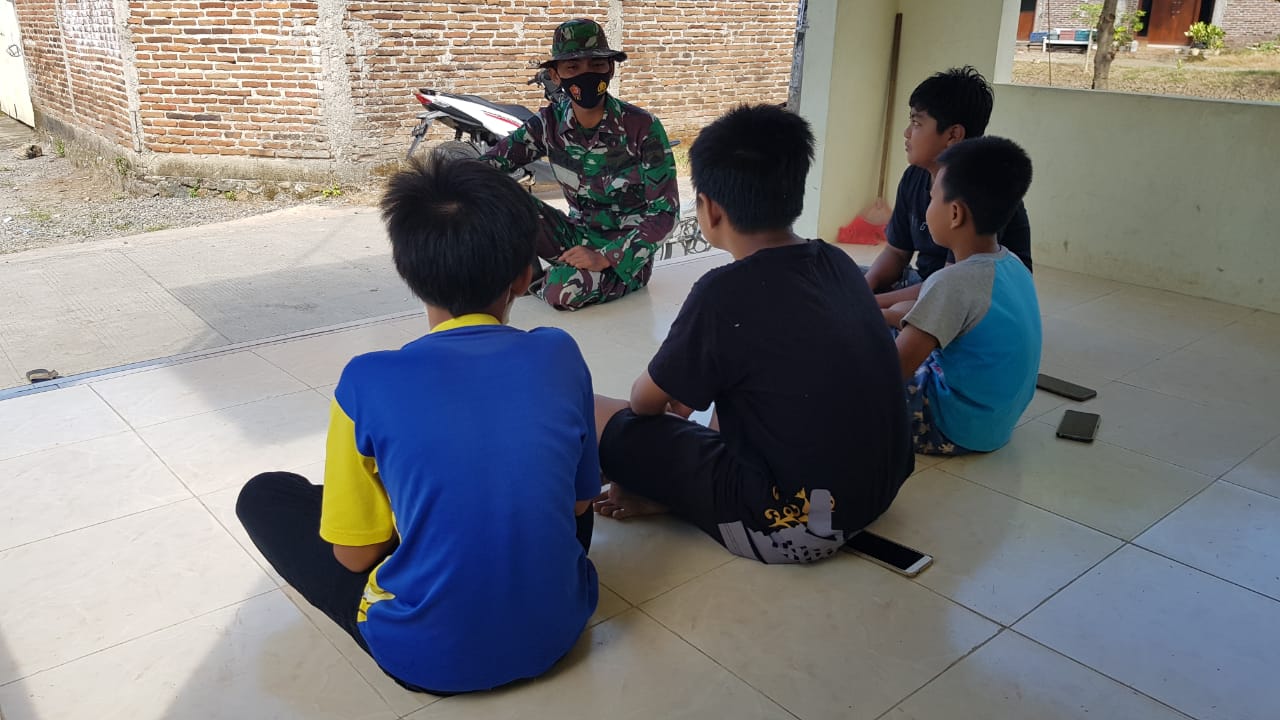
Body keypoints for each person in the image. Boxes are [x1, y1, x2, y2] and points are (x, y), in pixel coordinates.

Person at [235, 156, 600, 694]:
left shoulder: (367, 380)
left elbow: (355, 557)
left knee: (266, 495)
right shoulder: (559, 352)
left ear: (409, 273)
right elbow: (579, 505)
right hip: (558, 628)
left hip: (428, 657)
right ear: (524, 277)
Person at [592, 105, 913, 564]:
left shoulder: (722, 293)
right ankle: (679, 490)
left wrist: (661, 421)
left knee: (596, 411)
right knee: (739, 393)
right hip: (874, 493)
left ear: (710, 209)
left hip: (786, 525)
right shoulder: (838, 263)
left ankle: (668, 490)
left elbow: (644, 402)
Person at [481, 18, 680, 311]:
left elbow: (665, 212)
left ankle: (540, 281)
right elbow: (486, 168)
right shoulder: (548, 124)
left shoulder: (641, 127)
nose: (585, 75)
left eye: (596, 65)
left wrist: (607, 257)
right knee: (498, 196)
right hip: (574, 235)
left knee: (561, 292)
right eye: (572, 67)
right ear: (555, 74)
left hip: (624, 256)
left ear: (610, 68)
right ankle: (531, 275)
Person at [884, 136, 1041, 456]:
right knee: (896, 313)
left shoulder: (952, 282)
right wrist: (888, 314)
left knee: (847, 355)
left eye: (932, 198)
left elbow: (891, 371)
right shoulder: (1011, 265)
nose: (928, 206)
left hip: (950, 426)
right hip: (994, 422)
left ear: (955, 213)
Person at [863, 66, 1032, 311]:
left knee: (877, 318)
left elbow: (950, 288)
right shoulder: (914, 176)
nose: (907, 133)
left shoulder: (978, 190)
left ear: (953, 135)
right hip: (931, 284)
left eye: (916, 123)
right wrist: (864, 289)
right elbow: (897, 253)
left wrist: (868, 305)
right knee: (847, 274)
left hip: (975, 304)